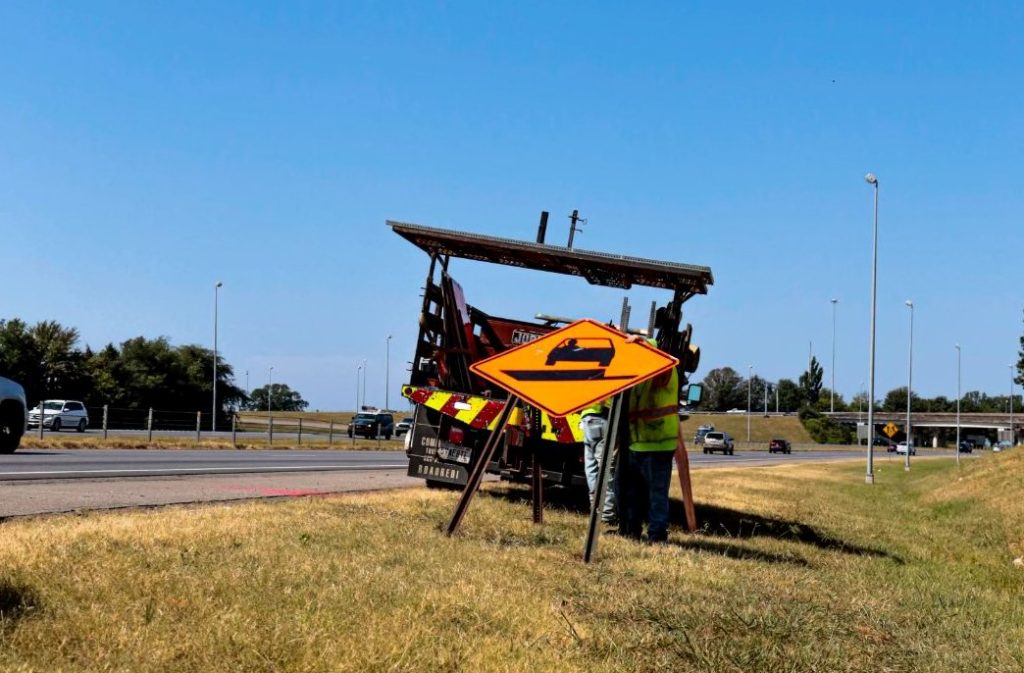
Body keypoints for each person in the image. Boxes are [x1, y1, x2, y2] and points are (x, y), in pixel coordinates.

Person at [616, 338, 679, 543]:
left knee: (656, 494)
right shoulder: (639, 373)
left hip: (658, 443)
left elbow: (660, 369)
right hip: (638, 442)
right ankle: (631, 531)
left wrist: (642, 344)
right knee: (632, 493)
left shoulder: (664, 367)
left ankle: (657, 536)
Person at [579, 398, 616, 524]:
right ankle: (607, 515)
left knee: (591, 468)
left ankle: (595, 510)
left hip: (587, 418)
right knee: (606, 468)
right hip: (602, 415)